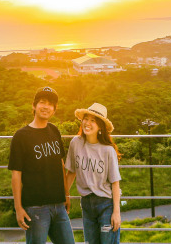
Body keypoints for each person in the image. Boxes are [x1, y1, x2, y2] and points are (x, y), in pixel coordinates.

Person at [8, 86, 76, 244]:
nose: (46, 107)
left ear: (54, 109)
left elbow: (60, 164)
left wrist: (66, 195)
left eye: (50, 104)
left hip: (59, 205)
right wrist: (18, 208)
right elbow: (16, 174)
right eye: (42, 102)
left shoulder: (54, 131)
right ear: (34, 106)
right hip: (35, 207)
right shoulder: (21, 136)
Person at [64, 103, 122, 244]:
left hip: (106, 206)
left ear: (100, 126)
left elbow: (115, 183)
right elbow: (71, 172)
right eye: (86, 119)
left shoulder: (108, 150)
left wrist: (116, 212)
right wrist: (64, 196)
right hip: (87, 205)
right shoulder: (75, 143)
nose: (87, 123)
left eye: (93, 120)